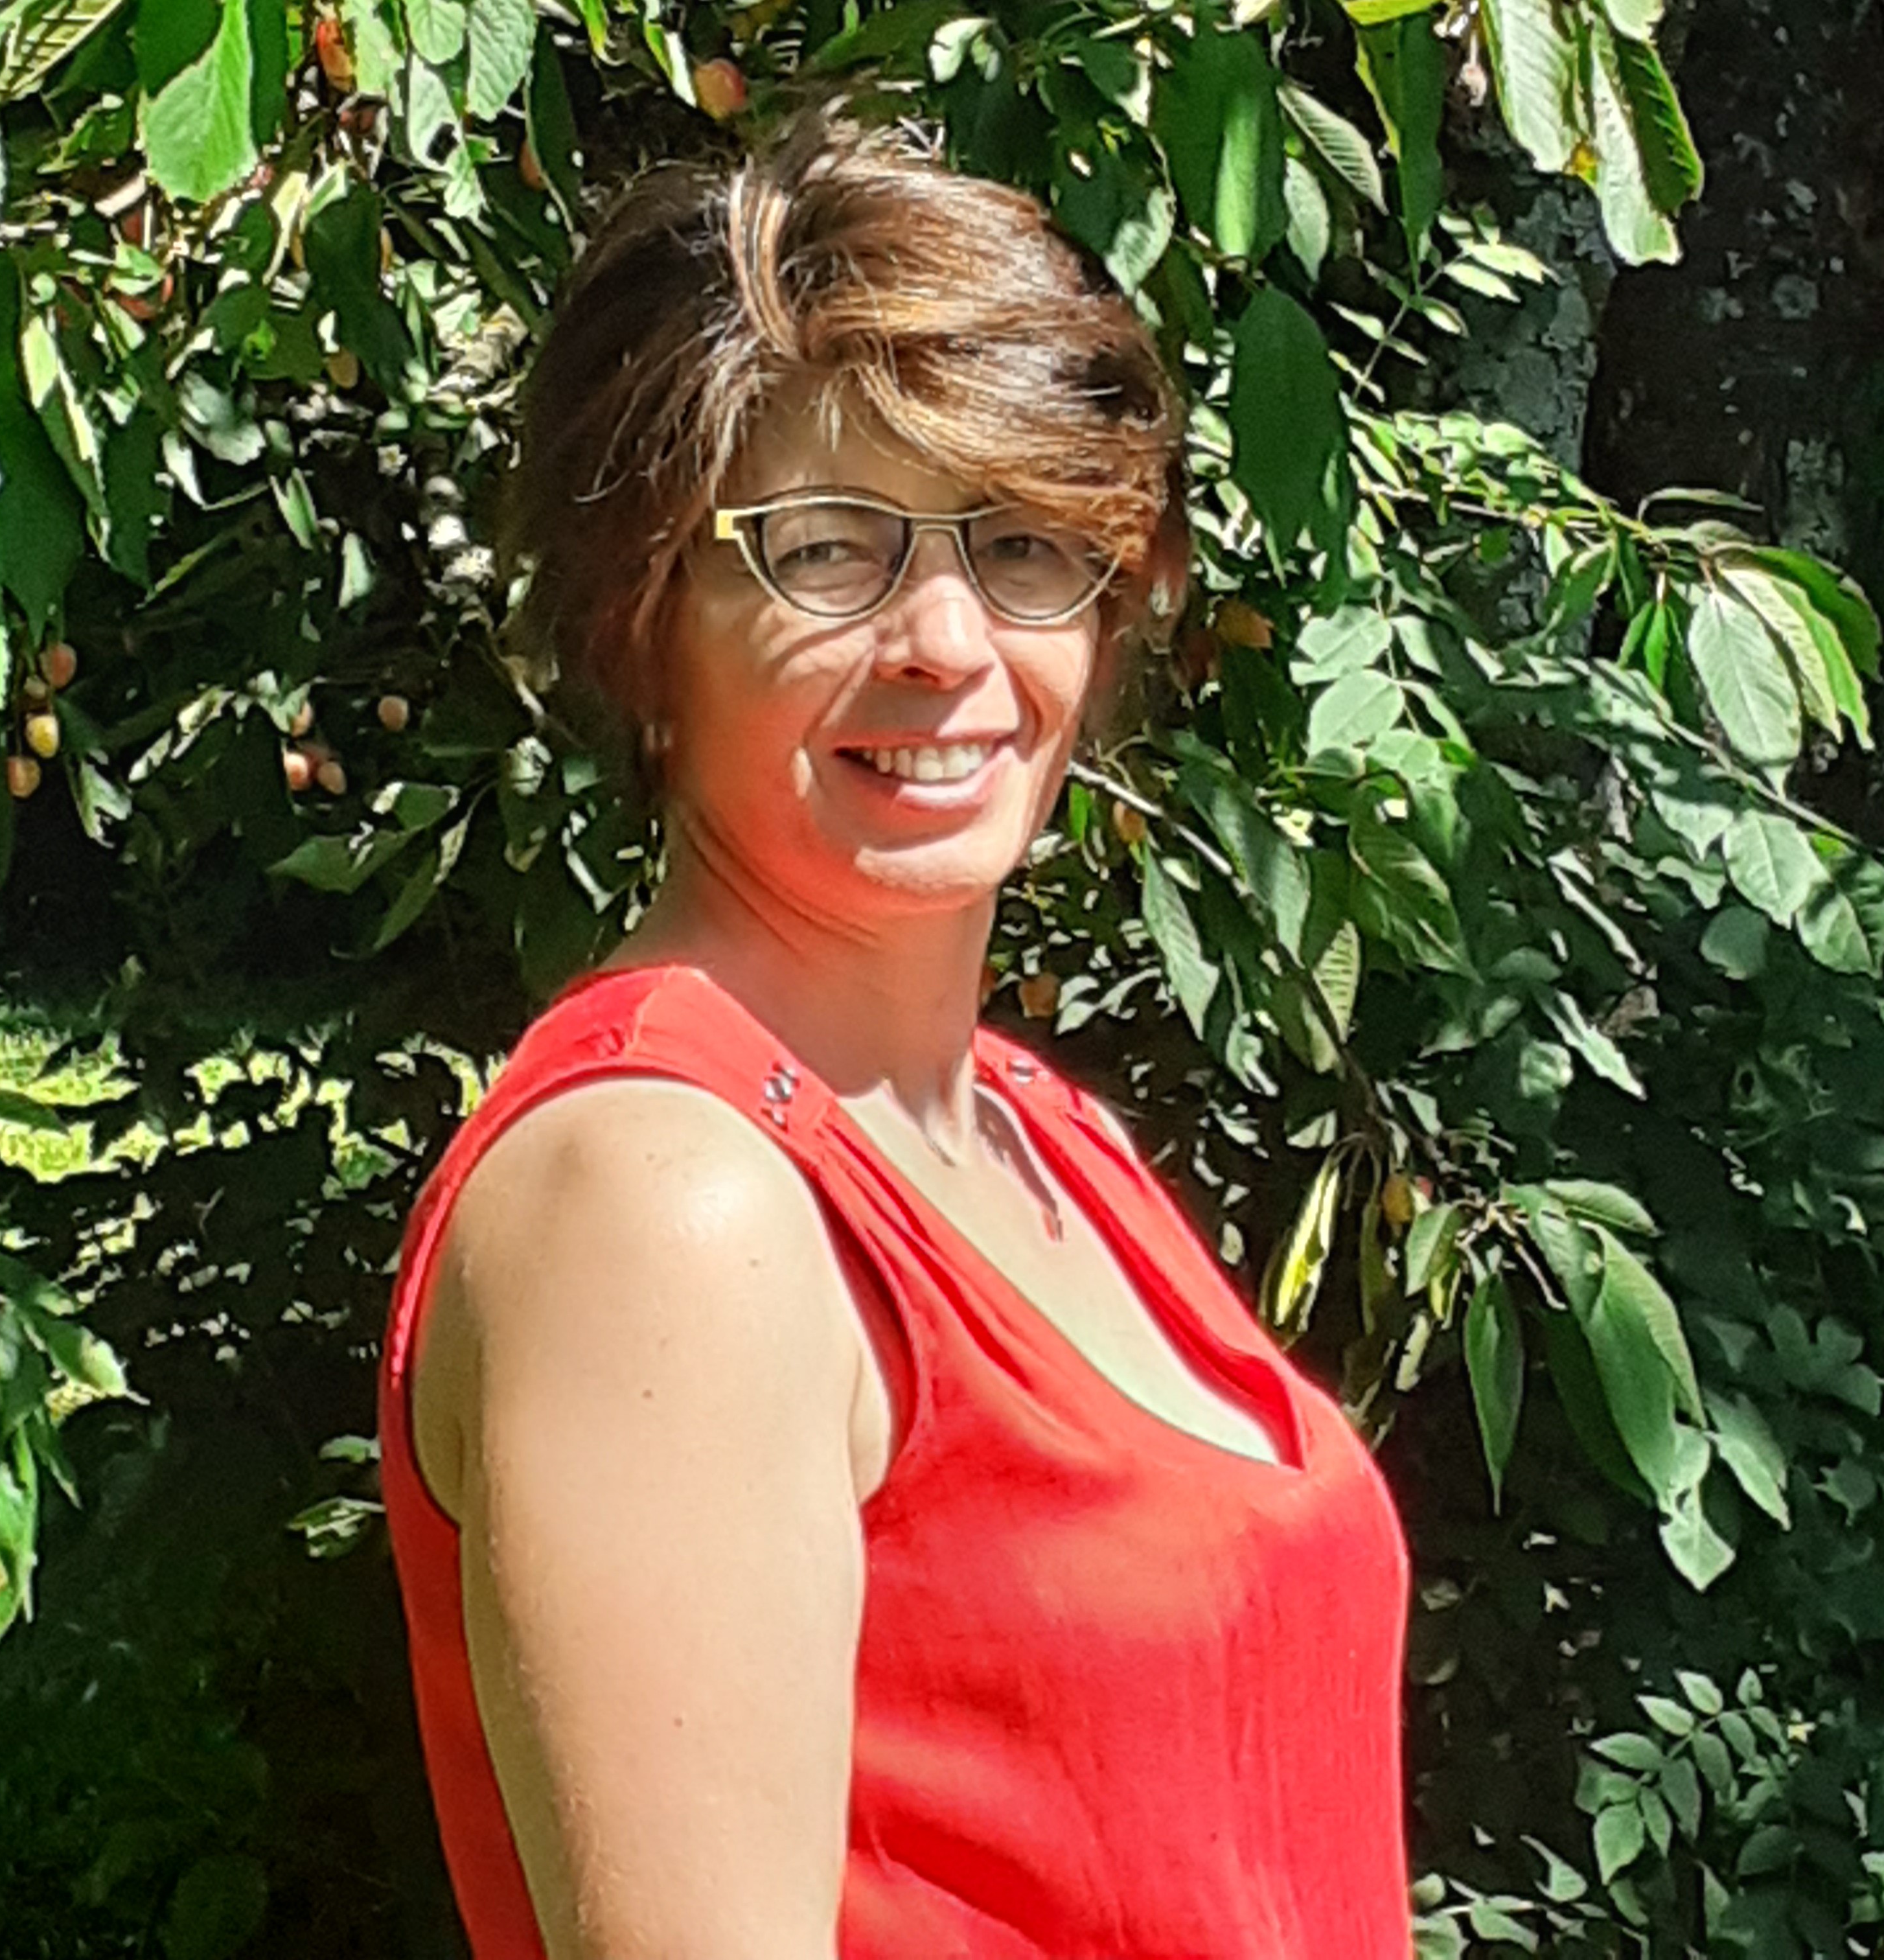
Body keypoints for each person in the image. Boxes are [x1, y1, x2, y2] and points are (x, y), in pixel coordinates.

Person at [378, 112, 1412, 1960]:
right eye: (828, 550)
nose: (945, 639)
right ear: (643, 619)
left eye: (1021, 546)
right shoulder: (665, 1202)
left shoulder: (1031, 1136)